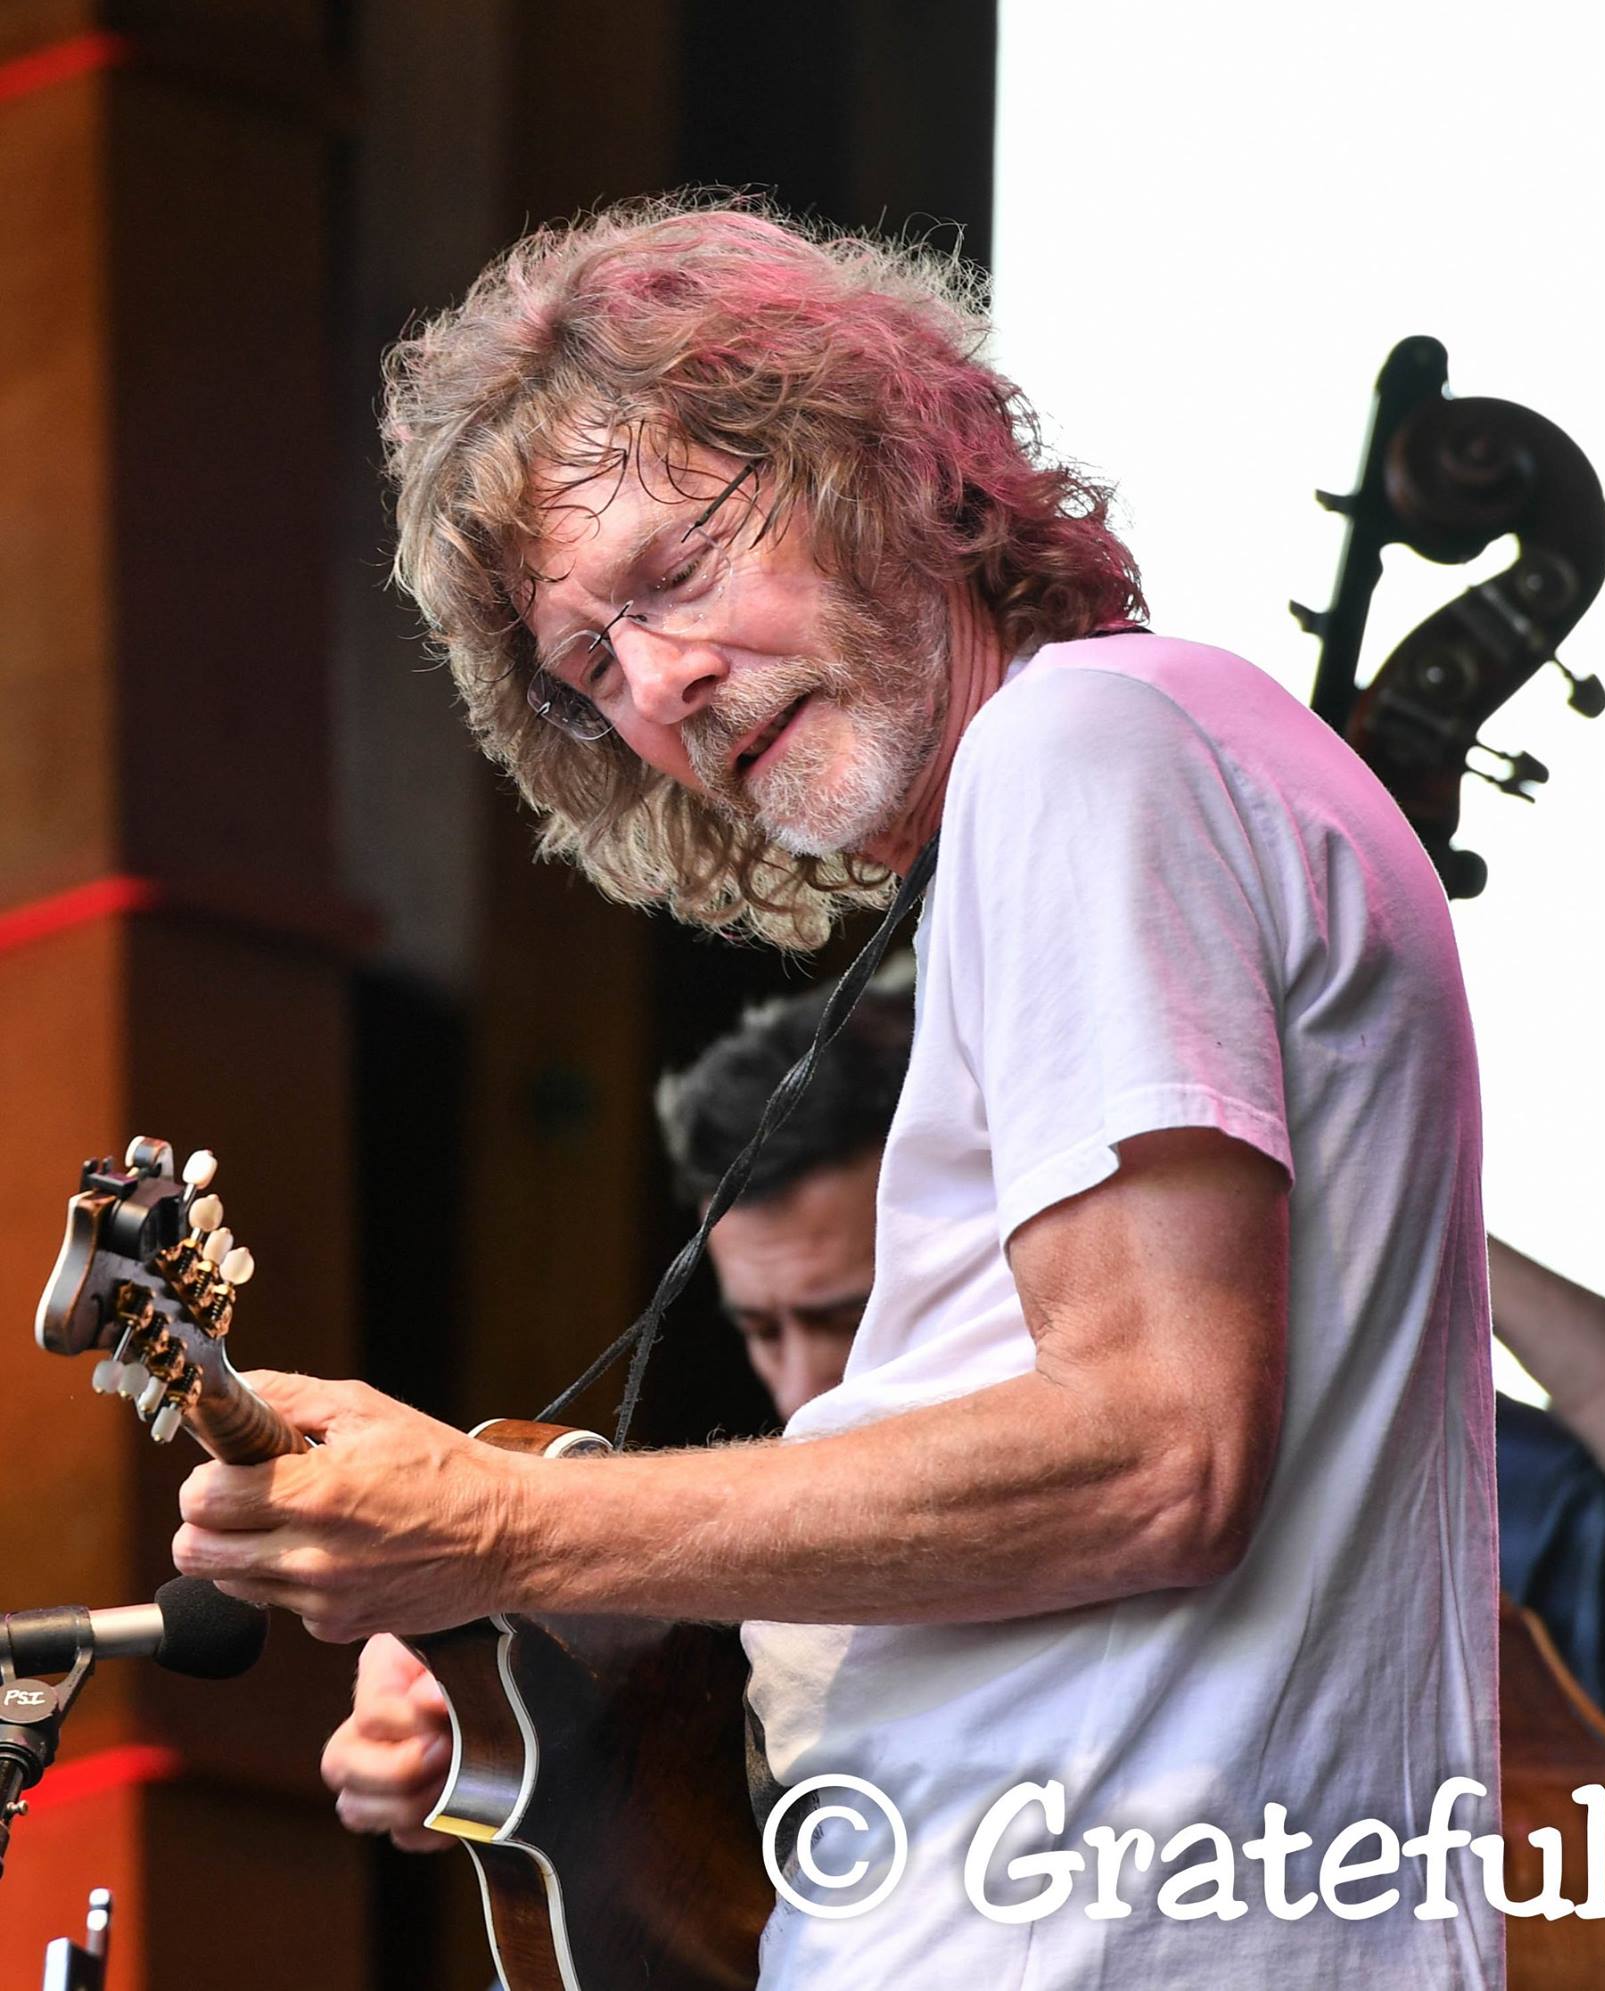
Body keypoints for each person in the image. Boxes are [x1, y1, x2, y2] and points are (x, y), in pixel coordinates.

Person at [176, 199, 1504, 1985]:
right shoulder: (1147, 762)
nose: (657, 687)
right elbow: (1032, 1529)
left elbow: (1154, 1459)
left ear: (870, 461)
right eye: (591, 672)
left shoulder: (1079, 742)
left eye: (670, 574)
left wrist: (491, 1521)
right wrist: (541, 1607)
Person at [662, 984, 1605, 1766]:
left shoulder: (1329, 1447)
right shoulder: (782, 1576)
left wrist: (1402, 1205)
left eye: (853, 1309)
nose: (808, 1383)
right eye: (763, 1330)